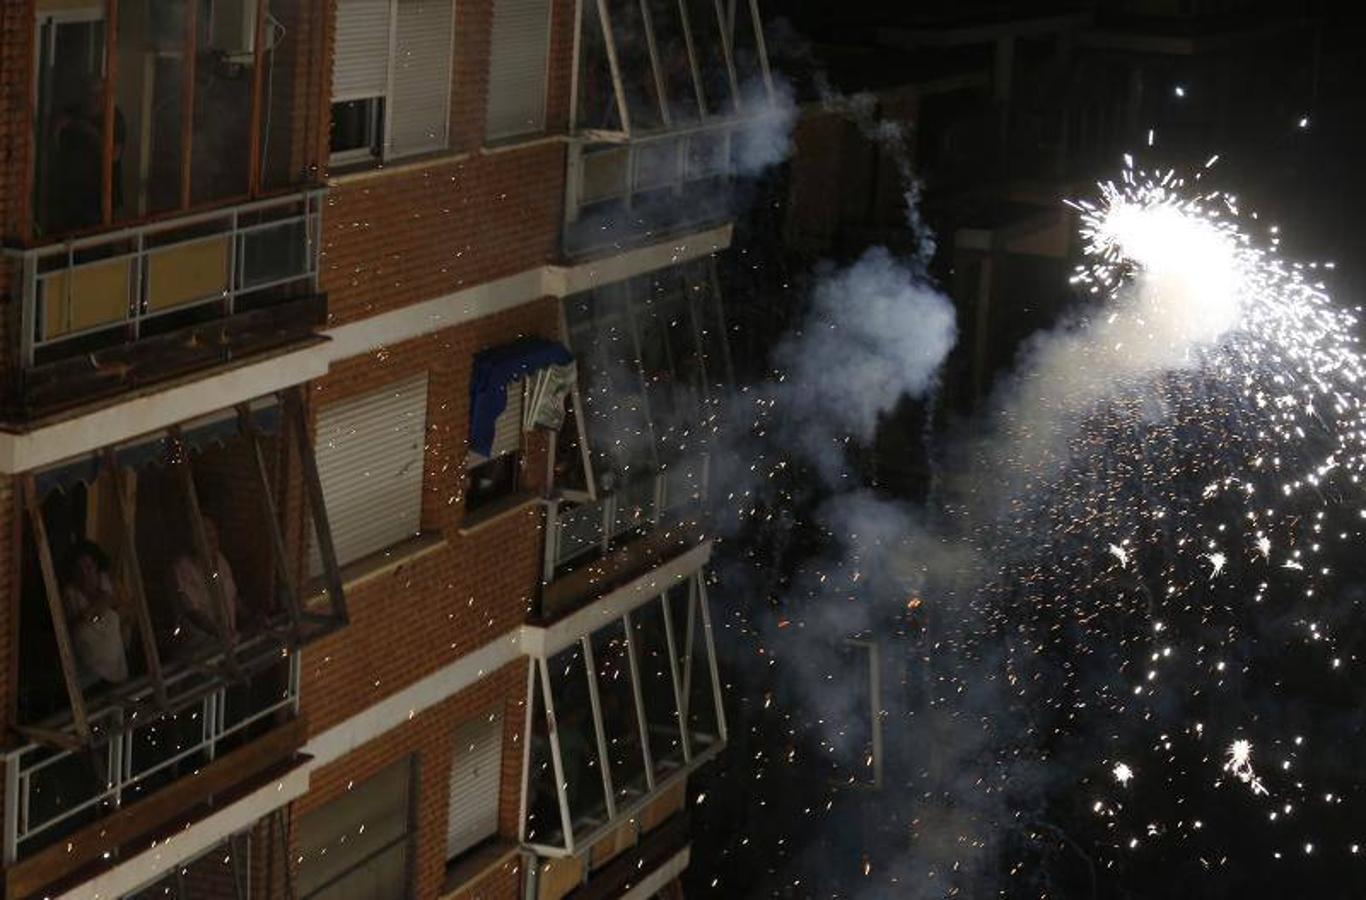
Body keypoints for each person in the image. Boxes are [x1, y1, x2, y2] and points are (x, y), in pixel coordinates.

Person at [50, 78, 125, 231]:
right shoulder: (71, 112)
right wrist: (56, 130)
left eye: (99, 94)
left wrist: (88, 131)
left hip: (100, 200)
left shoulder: (114, 117)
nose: (94, 99)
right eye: (90, 94)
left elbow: (114, 156)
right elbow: (50, 146)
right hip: (71, 198)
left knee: (98, 246)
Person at [62, 540, 131, 689]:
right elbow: (79, 624)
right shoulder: (71, 595)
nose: (85, 573)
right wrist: (98, 609)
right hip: (87, 673)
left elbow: (125, 612)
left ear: (97, 566)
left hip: (115, 665)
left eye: (88, 567)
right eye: (79, 569)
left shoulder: (108, 585)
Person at [169, 518, 240, 650]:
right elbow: (192, 613)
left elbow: (233, 598)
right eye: (207, 537)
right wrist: (219, 632)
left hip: (227, 644)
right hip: (199, 649)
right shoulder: (183, 568)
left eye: (214, 536)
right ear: (194, 540)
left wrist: (253, 618)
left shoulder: (221, 561)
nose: (213, 541)